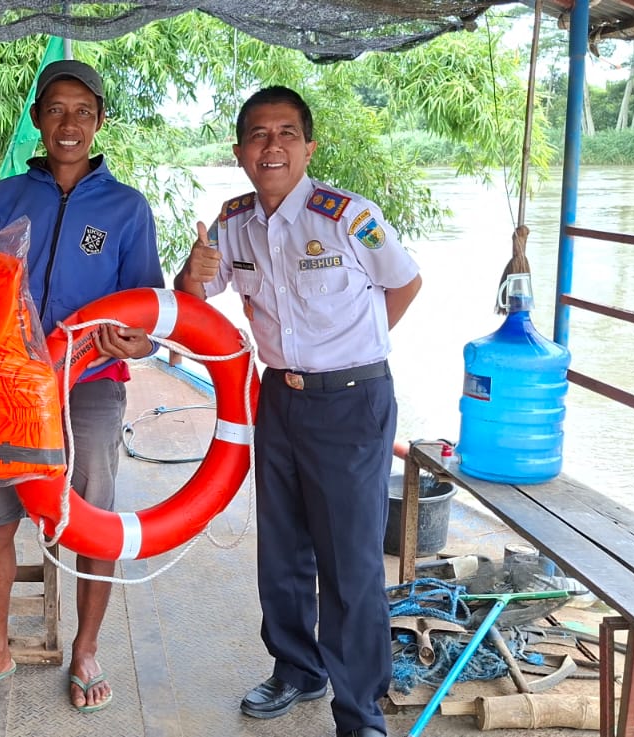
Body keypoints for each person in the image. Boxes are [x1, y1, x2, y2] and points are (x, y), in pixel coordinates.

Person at [176, 85, 423, 737]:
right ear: (240, 152)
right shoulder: (231, 223)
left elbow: (404, 283)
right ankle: (296, 668)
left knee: (352, 559)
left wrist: (352, 352)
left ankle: (359, 706)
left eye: (287, 132)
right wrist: (193, 271)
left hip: (351, 401)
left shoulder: (347, 215)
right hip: (278, 398)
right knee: (281, 548)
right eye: (259, 134)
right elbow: (194, 300)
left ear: (309, 146)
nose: (273, 145)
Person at [0, 59, 164, 713]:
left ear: (99, 121)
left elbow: (150, 319)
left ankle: (86, 648)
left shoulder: (127, 208)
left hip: (87, 382)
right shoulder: (3, 199)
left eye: (82, 111)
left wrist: (131, 343)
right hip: (4, 383)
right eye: (56, 109)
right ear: (37, 119)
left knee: (92, 521)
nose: (69, 123)